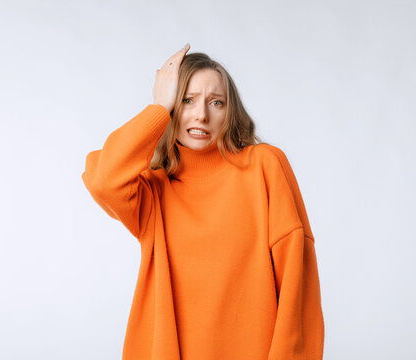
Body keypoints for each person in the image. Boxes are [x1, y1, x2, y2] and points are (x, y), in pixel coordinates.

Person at [81, 43, 325, 359]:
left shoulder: (264, 166)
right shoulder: (154, 188)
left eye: (216, 102)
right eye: (187, 100)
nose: (202, 115)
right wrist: (157, 107)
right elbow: (104, 180)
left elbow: (298, 287)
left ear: (230, 110)